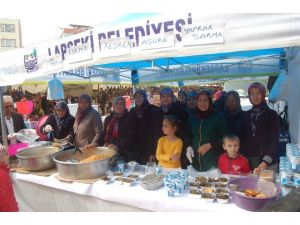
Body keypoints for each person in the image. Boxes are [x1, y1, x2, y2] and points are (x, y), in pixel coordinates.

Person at [186, 90, 229, 171]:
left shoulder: (218, 118)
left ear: (210, 101)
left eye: (205, 100)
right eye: (200, 100)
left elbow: (226, 138)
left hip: (212, 163)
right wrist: (188, 146)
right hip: (195, 163)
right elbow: (188, 134)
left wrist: (210, 145)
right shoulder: (192, 118)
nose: (202, 103)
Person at [241, 82, 279, 174]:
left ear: (263, 94)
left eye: (258, 93)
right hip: (249, 161)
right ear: (249, 96)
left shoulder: (271, 114)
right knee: (250, 188)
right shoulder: (245, 115)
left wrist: (266, 162)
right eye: (252, 94)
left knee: (268, 187)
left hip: (268, 163)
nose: (255, 96)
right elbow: (243, 138)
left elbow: (274, 140)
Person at [100, 96, 136, 162]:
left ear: (125, 106)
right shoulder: (108, 119)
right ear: (113, 106)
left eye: (121, 104)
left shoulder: (130, 118)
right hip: (110, 152)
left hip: (125, 153)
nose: (119, 106)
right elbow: (104, 134)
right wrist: (96, 143)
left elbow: (130, 137)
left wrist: (117, 147)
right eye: (117, 104)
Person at [130, 89, 162, 164]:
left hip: (149, 147)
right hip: (136, 149)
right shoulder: (132, 111)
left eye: (140, 96)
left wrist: (152, 152)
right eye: (136, 97)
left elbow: (155, 132)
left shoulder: (153, 110)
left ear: (145, 97)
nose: (138, 99)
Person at [0, 144, 19, 212]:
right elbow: (6, 201)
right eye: (6, 154)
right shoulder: (2, 175)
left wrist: (6, 169)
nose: (8, 156)